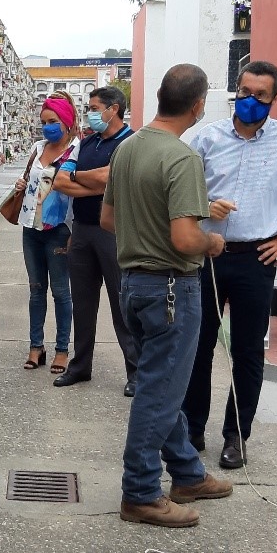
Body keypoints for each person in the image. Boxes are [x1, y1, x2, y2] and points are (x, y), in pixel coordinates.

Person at [182, 60, 277, 470]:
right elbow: (179, 189)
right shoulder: (207, 137)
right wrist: (205, 205)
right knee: (197, 346)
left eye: (260, 95)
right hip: (208, 255)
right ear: (236, 90)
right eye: (245, 92)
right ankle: (192, 430)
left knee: (248, 352)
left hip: (257, 257)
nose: (250, 100)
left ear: (275, 97)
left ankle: (236, 436)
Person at [101, 63, 232, 528]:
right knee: (159, 391)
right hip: (173, 287)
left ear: (159, 97)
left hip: (133, 284)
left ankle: (187, 473)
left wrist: (147, 233)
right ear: (198, 106)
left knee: (161, 382)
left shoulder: (127, 148)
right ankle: (140, 492)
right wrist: (212, 241)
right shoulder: (182, 158)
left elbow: (109, 220)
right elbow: (185, 238)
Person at [51, 86, 139, 394]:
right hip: (83, 230)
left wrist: (86, 178)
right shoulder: (85, 143)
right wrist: (95, 182)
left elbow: (110, 178)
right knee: (83, 302)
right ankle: (80, 366)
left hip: (114, 232)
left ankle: (135, 372)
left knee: (122, 303)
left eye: (94, 108)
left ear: (113, 109)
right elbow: (60, 181)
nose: (89, 114)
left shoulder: (130, 143)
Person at [10, 92, 81, 373]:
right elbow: (31, 181)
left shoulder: (76, 150)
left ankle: (62, 349)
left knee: (61, 292)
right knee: (36, 290)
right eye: (44, 122)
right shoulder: (38, 148)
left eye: (53, 121)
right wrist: (21, 184)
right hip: (31, 227)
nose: (47, 127)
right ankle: (36, 346)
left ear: (66, 121)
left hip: (59, 229)